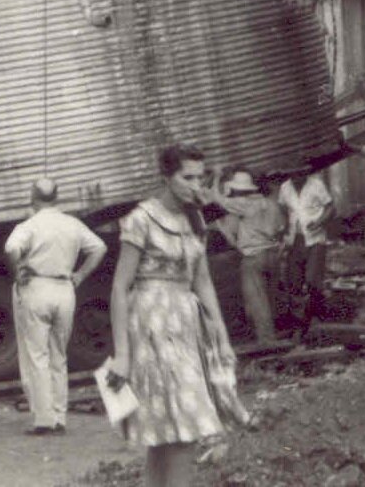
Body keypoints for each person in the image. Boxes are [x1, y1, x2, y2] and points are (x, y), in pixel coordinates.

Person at [107, 143, 248, 486]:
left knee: (170, 429)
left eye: (200, 178)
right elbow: (119, 288)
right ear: (166, 177)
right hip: (152, 324)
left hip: (186, 324)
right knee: (179, 425)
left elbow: (203, 282)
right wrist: (122, 356)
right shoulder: (142, 218)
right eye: (187, 177)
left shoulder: (194, 218)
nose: (195, 185)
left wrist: (223, 339)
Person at [4, 175, 108, 436]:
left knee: (37, 355)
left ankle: (44, 419)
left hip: (36, 287)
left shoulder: (28, 226)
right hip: (65, 289)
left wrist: (17, 270)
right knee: (59, 354)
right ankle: (60, 416)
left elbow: (10, 249)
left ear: (32, 198)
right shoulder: (72, 224)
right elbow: (99, 248)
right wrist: (81, 275)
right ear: (56, 197)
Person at [209, 170, 285, 343]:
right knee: (270, 297)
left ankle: (267, 342)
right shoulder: (272, 204)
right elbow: (281, 230)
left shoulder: (244, 204)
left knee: (258, 302)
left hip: (254, 257)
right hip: (273, 254)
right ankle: (274, 333)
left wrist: (217, 176)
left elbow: (216, 198)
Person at [280, 168, 335, 329]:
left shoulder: (316, 184)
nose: (298, 178)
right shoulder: (285, 188)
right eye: (294, 175)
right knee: (294, 280)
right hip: (295, 239)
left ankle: (317, 314)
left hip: (315, 238)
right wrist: (287, 226)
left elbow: (331, 208)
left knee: (312, 279)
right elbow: (283, 208)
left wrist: (318, 222)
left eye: (301, 174)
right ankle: (299, 321)